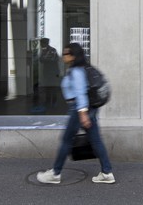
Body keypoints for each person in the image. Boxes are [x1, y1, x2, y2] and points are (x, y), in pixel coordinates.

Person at [37, 43, 115, 184]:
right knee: (96, 140)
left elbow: (80, 93)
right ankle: (107, 172)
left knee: (66, 140)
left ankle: (55, 173)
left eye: (66, 53)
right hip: (88, 109)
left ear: (73, 56)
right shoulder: (80, 69)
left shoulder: (77, 72)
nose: (63, 56)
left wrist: (83, 114)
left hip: (79, 110)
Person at [32, 38, 61, 113]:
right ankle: (48, 101)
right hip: (47, 72)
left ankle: (54, 101)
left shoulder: (52, 50)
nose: (41, 45)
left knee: (53, 87)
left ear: (46, 43)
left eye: (42, 43)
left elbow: (55, 59)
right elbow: (41, 60)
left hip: (53, 71)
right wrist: (47, 59)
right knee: (48, 86)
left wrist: (46, 60)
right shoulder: (43, 51)